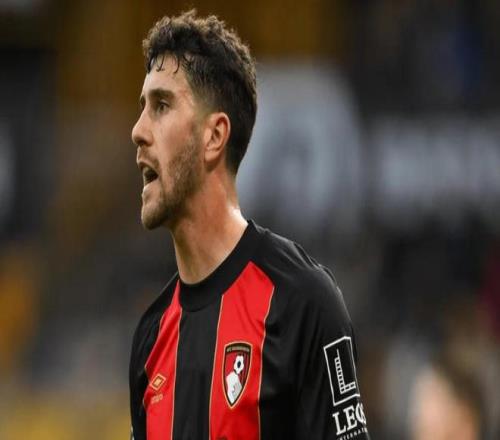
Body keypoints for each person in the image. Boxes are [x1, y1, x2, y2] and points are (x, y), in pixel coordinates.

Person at [129, 10, 370, 440]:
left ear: (214, 136)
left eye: (161, 106)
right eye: (142, 108)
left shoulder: (302, 303)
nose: (138, 131)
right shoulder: (151, 337)